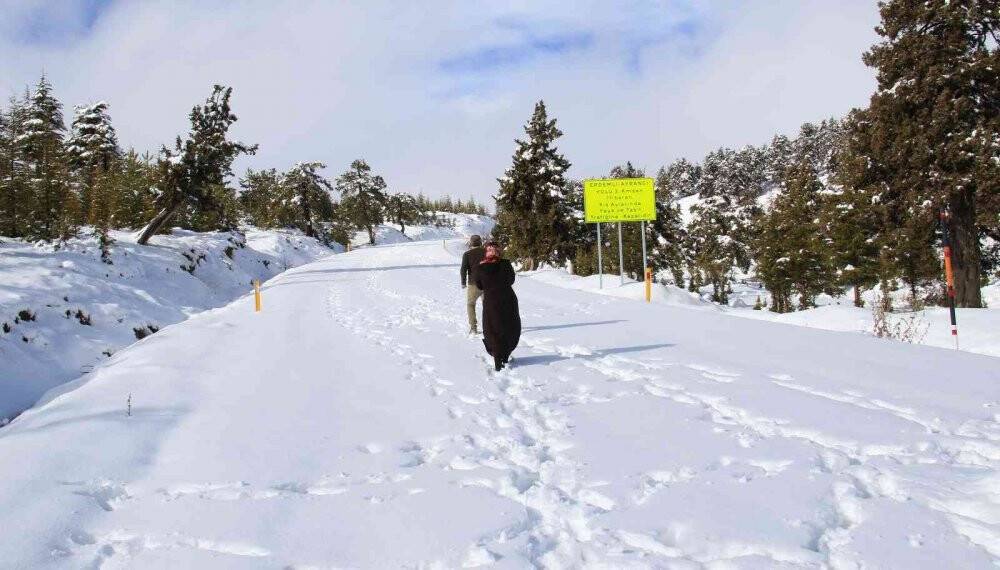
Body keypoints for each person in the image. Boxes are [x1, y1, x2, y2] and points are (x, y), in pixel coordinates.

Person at [474, 241, 521, 371]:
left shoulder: (481, 267)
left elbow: (479, 285)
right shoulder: (506, 263)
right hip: (508, 299)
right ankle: (505, 355)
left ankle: (496, 355)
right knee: (509, 326)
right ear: (499, 252)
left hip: (491, 301)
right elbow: (511, 280)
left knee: (492, 328)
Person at [460, 235, 485, 334]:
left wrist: (463, 282)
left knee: (471, 304)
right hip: (487, 284)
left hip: (473, 283)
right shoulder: (487, 252)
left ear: (471, 243)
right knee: (487, 306)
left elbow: (463, 269)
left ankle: (473, 328)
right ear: (480, 242)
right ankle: (490, 327)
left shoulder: (467, 254)